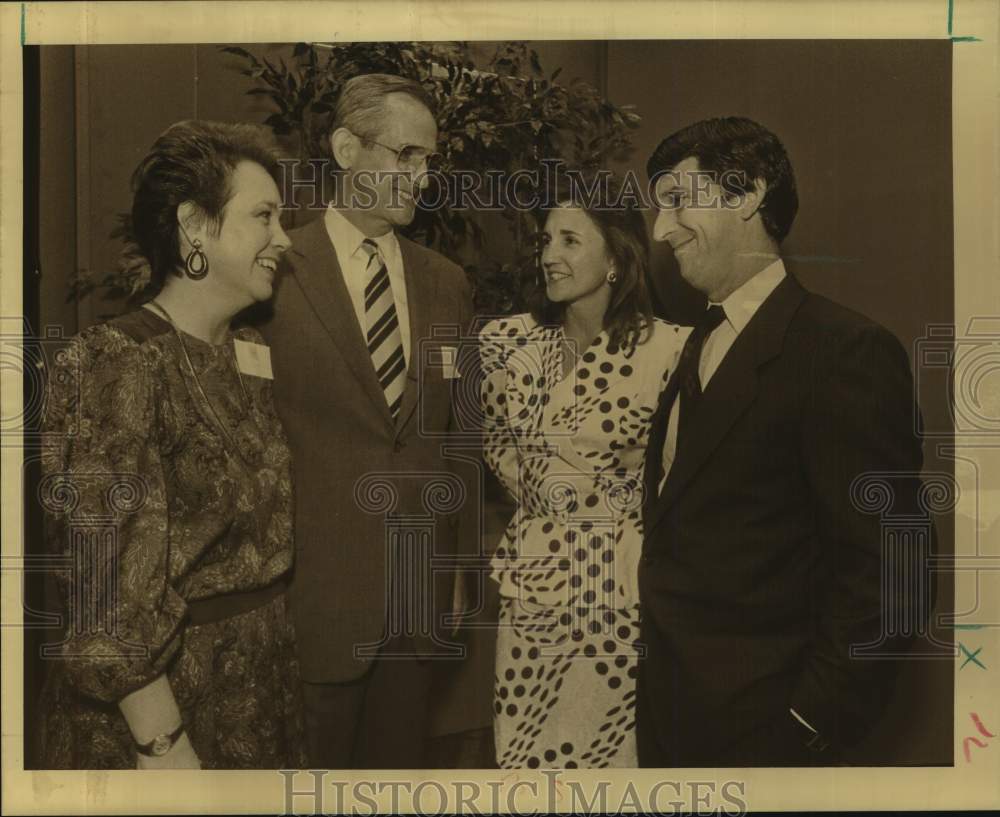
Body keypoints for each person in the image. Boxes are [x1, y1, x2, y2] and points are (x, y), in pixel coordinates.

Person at [637, 116, 932, 767]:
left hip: (766, 737)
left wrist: (811, 718)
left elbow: (894, 567)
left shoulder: (843, 350)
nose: (660, 229)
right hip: (669, 722)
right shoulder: (697, 344)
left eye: (679, 200)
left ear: (745, 194)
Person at [38, 120, 304, 769]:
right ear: (194, 226)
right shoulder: (115, 364)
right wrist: (162, 743)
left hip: (257, 699)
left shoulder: (248, 351)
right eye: (263, 215)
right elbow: (105, 596)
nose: (284, 238)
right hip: (167, 718)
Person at [257, 73, 475, 769]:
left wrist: (459, 560)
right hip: (312, 602)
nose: (423, 177)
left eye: (430, 161)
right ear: (347, 148)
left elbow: (456, 436)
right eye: (406, 156)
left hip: (417, 602)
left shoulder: (447, 280)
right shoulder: (275, 269)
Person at [479, 173, 689, 768]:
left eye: (570, 241)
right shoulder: (508, 342)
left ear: (617, 256)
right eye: (545, 241)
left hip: (615, 589)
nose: (549, 256)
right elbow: (495, 441)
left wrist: (616, 495)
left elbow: (679, 474)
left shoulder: (669, 350)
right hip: (531, 589)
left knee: (606, 766)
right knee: (524, 764)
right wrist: (548, 492)